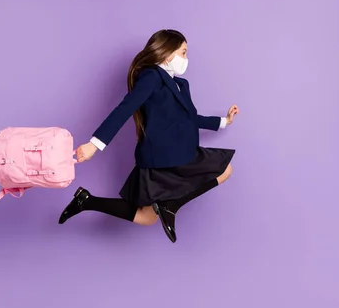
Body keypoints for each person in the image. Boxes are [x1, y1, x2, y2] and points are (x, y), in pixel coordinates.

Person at [58, 29, 238, 243]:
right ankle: (171, 206)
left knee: (146, 217)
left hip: (178, 153)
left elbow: (191, 118)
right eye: (183, 52)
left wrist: (223, 121)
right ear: (167, 53)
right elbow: (124, 109)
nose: (186, 58)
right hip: (163, 158)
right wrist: (94, 145)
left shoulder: (181, 85)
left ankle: (86, 201)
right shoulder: (152, 77)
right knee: (225, 169)